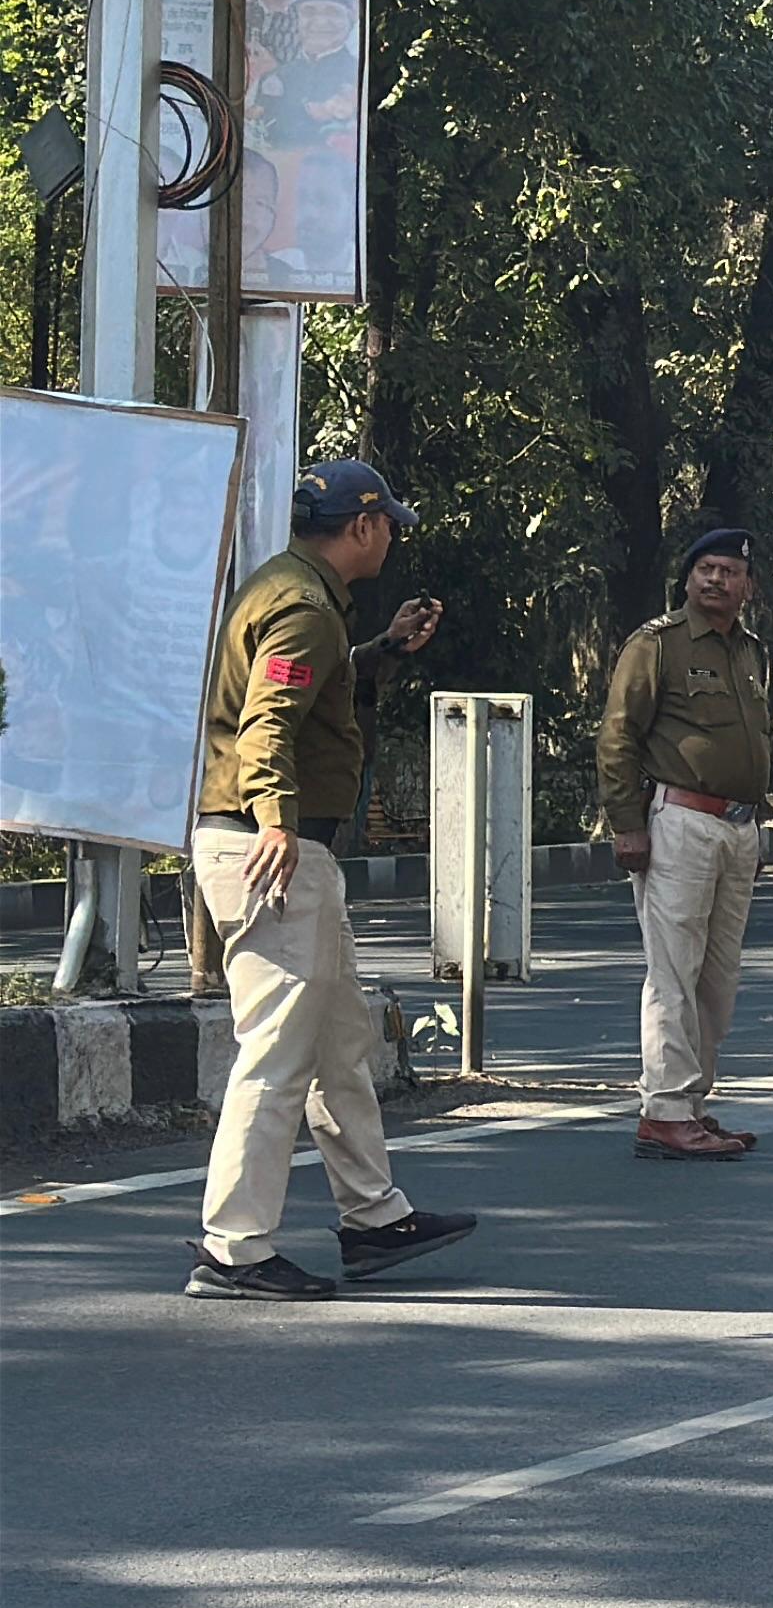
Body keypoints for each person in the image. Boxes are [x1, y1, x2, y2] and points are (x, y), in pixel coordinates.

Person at [181, 461, 478, 1299]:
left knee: (341, 1042)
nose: (390, 539)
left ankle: (373, 1216)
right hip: (272, 848)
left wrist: (378, 654)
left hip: (279, 847)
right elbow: (266, 723)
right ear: (363, 525)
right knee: (277, 1055)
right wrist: (277, 820)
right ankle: (234, 1249)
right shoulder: (306, 608)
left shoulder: (292, 591)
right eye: (388, 526)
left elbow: (303, 686)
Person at [603, 528, 773, 1161]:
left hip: (738, 828)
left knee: (717, 979)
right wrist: (627, 823)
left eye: (729, 571)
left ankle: (693, 1104)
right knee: (673, 971)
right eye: (706, 569)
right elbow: (618, 737)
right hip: (680, 820)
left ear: (748, 586)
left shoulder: (751, 651)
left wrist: (756, 827)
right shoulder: (657, 644)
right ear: (688, 578)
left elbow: (754, 742)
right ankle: (665, 1111)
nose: (716, 580)